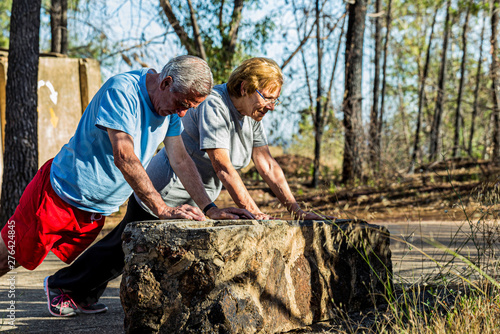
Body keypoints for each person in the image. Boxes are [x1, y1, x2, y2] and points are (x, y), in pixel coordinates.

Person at [44, 57, 333, 317]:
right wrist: (254, 213)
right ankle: (62, 285)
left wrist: (295, 209)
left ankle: (82, 292)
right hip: (164, 189)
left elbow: (266, 163)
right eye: (267, 97)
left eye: (275, 100)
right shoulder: (214, 105)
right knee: (122, 249)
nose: (270, 105)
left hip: (197, 196)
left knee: (134, 250)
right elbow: (223, 166)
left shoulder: (250, 116)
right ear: (244, 87)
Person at [0, 55, 251, 316]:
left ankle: (77, 293)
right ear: (166, 83)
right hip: (58, 196)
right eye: (181, 104)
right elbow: (124, 155)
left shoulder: (171, 111)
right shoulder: (122, 91)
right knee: (9, 256)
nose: (183, 113)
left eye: (188, 107)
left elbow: (181, 159)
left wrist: (209, 208)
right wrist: (162, 209)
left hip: (93, 209)